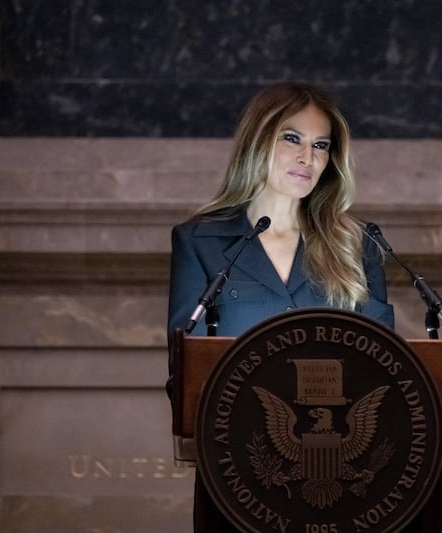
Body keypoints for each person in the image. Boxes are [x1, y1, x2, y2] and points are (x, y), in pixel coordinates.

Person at [166, 81, 395, 532]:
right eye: (291, 138)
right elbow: (183, 370)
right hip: (238, 479)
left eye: (321, 145)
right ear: (258, 140)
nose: (307, 157)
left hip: (346, 496)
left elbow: (386, 365)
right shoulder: (201, 243)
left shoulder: (357, 245)